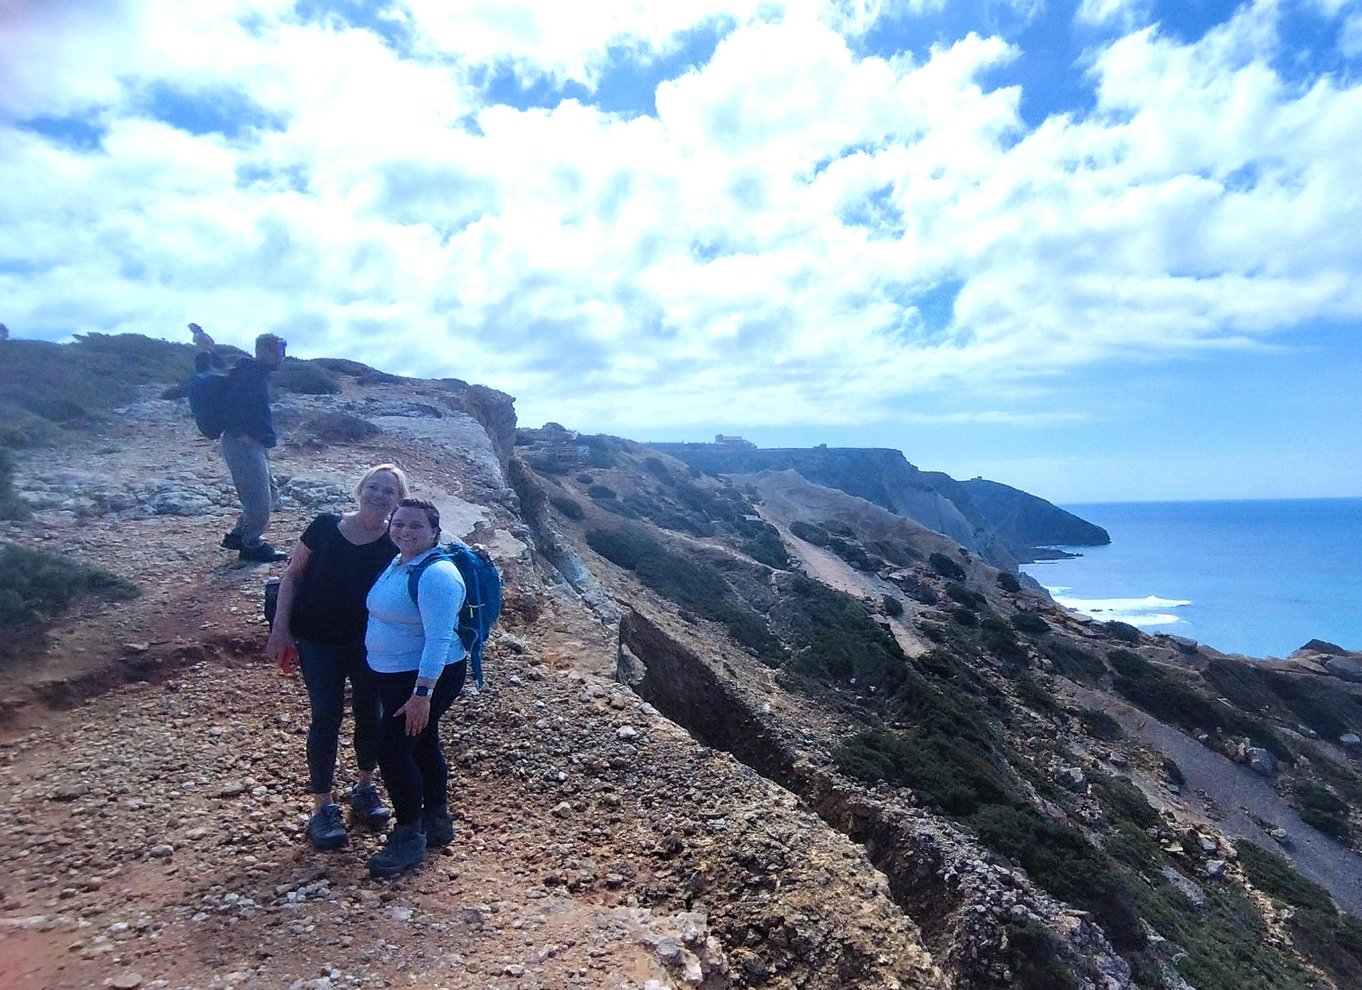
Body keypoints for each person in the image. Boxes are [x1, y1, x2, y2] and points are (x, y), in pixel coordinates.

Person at [264, 465, 411, 851]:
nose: (379, 496)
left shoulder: (396, 541)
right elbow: (292, 576)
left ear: (398, 501)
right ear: (361, 488)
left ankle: (364, 786)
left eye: (389, 492)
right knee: (326, 715)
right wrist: (280, 629)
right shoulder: (325, 526)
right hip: (317, 640)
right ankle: (322, 807)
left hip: (371, 646)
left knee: (371, 713)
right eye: (374, 487)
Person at [364, 498, 468, 878]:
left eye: (416, 526)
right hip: (395, 673)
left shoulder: (437, 574)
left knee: (391, 750)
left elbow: (439, 638)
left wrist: (422, 694)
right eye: (399, 523)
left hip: (423, 678)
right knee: (422, 742)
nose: (405, 531)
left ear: (434, 533)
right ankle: (437, 822)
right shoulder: (401, 562)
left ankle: (409, 835)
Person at [201, 331, 288, 563]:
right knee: (259, 499)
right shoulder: (250, 374)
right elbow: (235, 406)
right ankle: (251, 544)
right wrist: (242, 434)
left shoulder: (252, 372)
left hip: (250, 443)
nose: (282, 357)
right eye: (279, 352)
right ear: (264, 351)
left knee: (270, 493)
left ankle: (239, 535)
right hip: (243, 444)